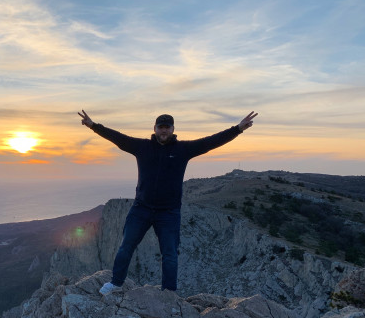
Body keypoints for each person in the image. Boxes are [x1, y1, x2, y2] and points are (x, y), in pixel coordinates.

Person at [78, 109, 257, 295]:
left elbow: (211, 142)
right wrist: (93, 126)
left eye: (167, 127)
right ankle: (116, 283)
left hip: (168, 213)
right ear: (154, 128)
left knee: (170, 254)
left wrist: (237, 129)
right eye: (160, 127)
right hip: (141, 209)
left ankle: (169, 293)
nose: (163, 131)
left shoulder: (183, 150)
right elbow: (118, 138)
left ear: (173, 129)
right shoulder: (141, 146)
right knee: (126, 246)